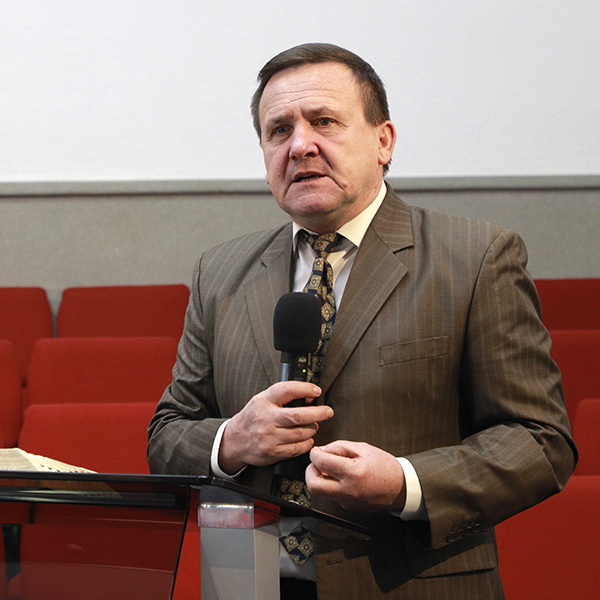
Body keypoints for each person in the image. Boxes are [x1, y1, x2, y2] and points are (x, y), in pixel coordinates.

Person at [147, 43, 576, 599]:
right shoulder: (220, 271)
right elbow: (168, 433)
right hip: (249, 584)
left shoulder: (476, 259)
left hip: (406, 583)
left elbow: (540, 442)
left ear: (383, 141)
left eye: (324, 121)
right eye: (279, 130)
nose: (300, 145)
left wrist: (405, 483)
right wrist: (232, 440)